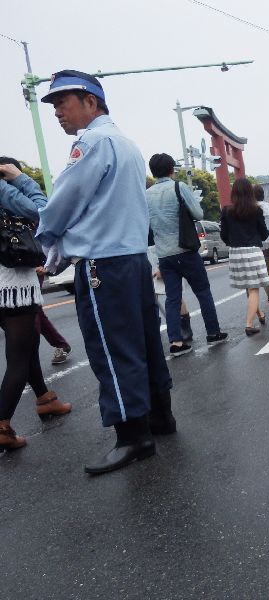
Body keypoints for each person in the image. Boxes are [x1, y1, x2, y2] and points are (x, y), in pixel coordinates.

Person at [36, 70, 174, 474]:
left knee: (112, 350)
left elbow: (64, 202)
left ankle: (132, 437)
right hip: (132, 259)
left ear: (90, 101)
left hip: (101, 264)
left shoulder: (91, 143)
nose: (57, 112)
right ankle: (160, 416)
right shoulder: (126, 143)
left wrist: (47, 239)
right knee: (145, 342)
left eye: (62, 102)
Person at [0, 157, 71, 452]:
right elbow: (44, 211)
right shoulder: (4, 189)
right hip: (13, 285)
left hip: (5, 289)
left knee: (26, 348)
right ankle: (2, 426)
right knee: (18, 358)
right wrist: (21, 179)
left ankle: (45, 399)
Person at [146, 153, 227, 357]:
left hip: (164, 255)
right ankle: (213, 332)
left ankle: (176, 342)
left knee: (172, 298)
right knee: (203, 292)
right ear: (171, 169)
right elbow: (198, 214)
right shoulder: (178, 187)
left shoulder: (146, 195)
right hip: (186, 250)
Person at [220, 178, 269, 335]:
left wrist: (233, 242)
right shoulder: (256, 210)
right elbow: (264, 234)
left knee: (249, 286)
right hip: (253, 251)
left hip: (235, 252)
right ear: (250, 193)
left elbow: (223, 235)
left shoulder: (226, 211)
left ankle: (260, 314)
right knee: (254, 288)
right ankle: (249, 325)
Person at [34, 267, 72, 364]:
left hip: (28, 272)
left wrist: (45, 266)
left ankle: (26, 356)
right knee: (35, 313)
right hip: (7, 274)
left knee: (31, 311)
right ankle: (61, 345)